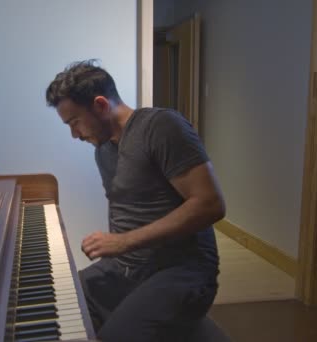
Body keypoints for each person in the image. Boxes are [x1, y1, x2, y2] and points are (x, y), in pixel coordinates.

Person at [45, 60, 226, 342]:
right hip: (126, 268)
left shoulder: (161, 126)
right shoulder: (103, 149)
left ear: (101, 105)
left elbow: (210, 204)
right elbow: (128, 208)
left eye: (75, 122)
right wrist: (116, 246)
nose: (74, 134)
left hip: (182, 271)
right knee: (58, 301)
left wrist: (124, 241)